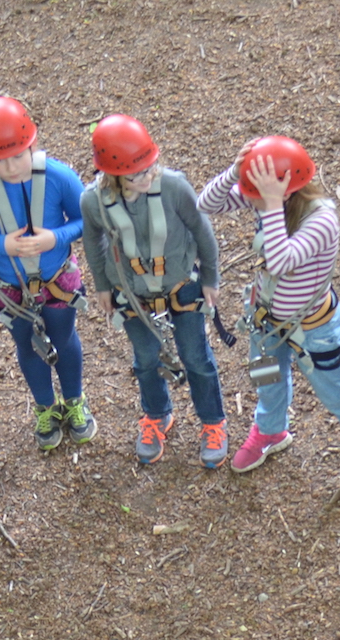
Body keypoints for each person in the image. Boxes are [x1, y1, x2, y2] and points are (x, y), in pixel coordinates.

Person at [197, 135, 340, 498]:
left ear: (287, 192)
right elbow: (206, 203)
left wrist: (271, 204)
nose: (252, 203)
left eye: (259, 197)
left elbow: (280, 261)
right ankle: (271, 430)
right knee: (267, 379)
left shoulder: (322, 220)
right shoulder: (266, 199)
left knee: (337, 392)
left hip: (314, 329)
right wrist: (235, 172)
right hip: (265, 322)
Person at [80, 113, 228, 468]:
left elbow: (202, 231)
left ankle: (213, 422)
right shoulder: (94, 202)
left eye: (150, 167)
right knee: (146, 360)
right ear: (114, 175)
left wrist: (210, 277)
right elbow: (92, 240)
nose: (148, 177)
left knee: (196, 358)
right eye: (137, 173)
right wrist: (102, 284)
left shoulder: (174, 187)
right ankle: (157, 415)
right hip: (133, 297)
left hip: (182, 287)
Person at [0, 96, 96, 453]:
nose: (13, 166)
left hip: (57, 279)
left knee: (63, 339)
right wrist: (3, 245)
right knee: (28, 344)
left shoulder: (58, 177)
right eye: (0, 160)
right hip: (9, 288)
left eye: (19, 155)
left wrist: (55, 237)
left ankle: (74, 401)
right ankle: (45, 407)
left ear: (32, 144)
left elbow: (85, 220)